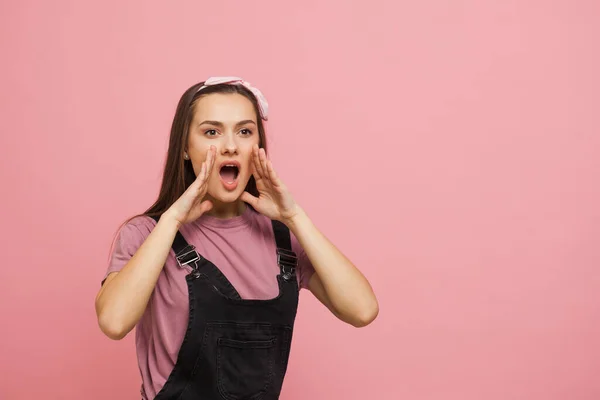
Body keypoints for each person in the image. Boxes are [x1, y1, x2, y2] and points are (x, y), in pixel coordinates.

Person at [94, 76, 379, 400]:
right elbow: (114, 322)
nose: (230, 145)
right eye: (211, 131)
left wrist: (294, 217)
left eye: (244, 131)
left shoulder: (282, 240)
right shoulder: (145, 234)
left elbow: (362, 310)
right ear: (186, 149)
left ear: (257, 147)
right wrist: (171, 220)